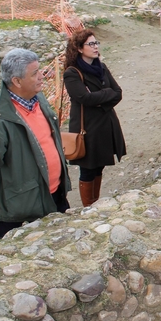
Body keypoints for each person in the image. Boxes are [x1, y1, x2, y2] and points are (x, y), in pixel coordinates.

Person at [0, 49, 71, 238]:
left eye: (40, 70)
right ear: (17, 81)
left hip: (53, 195)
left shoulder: (38, 98)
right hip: (17, 210)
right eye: (35, 73)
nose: (42, 76)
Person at [64, 30, 126, 207]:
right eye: (90, 44)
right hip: (87, 127)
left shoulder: (101, 67)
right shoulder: (72, 73)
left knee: (99, 165)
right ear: (79, 48)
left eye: (96, 43)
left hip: (105, 124)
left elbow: (118, 93)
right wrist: (106, 94)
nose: (95, 47)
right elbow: (84, 98)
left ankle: (95, 202)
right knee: (88, 168)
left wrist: (101, 100)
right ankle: (88, 206)